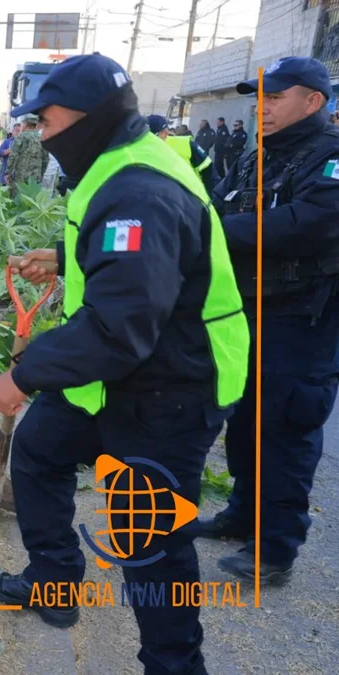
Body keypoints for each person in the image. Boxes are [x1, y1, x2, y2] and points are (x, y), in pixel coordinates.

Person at [0, 53, 249, 675]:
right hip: (124, 378)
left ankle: (174, 665)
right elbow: (138, 268)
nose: (41, 134)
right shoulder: (119, 165)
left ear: (88, 116)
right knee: (42, 448)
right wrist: (67, 256)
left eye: (45, 120)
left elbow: (117, 327)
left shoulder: (139, 191)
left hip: (171, 388)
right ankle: (55, 586)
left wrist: (22, 375)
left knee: (148, 544)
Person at [202, 56, 339, 586]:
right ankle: (242, 514)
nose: (263, 107)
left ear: (313, 102)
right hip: (247, 310)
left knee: (285, 429)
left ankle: (276, 548)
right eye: (260, 97)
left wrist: (216, 231)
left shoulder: (329, 158)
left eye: (276, 97)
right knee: (244, 420)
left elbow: (309, 225)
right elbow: (215, 208)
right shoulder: (258, 157)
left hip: (303, 320)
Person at [148, 114, 218, 192]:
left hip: (192, 196)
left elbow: (209, 170)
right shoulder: (142, 151)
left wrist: (211, 197)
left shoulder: (185, 145)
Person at [6, 114, 48, 191]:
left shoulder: (20, 137)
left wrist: (8, 172)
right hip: (35, 177)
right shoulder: (42, 138)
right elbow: (46, 158)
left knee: (17, 198)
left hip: (20, 176)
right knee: (31, 199)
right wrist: (42, 173)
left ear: (25, 124)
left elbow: (13, 156)